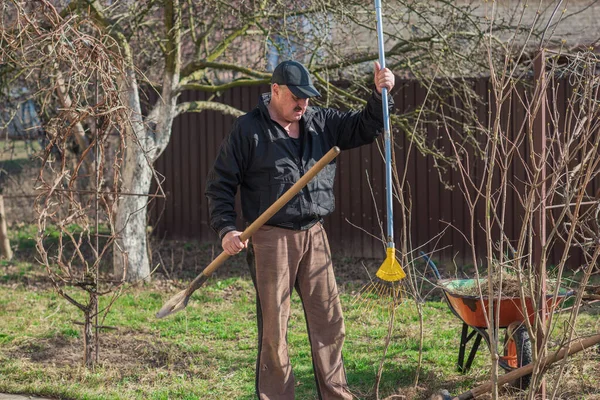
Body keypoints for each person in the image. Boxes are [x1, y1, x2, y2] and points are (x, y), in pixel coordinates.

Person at [205, 60, 395, 400]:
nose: (302, 105)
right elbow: (220, 184)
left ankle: (336, 393)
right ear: (275, 91)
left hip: (314, 233)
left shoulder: (320, 122)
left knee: (330, 321)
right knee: (275, 330)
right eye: (296, 98)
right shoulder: (248, 131)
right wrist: (226, 229)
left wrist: (380, 94)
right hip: (269, 238)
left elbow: (366, 126)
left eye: (307, 98)